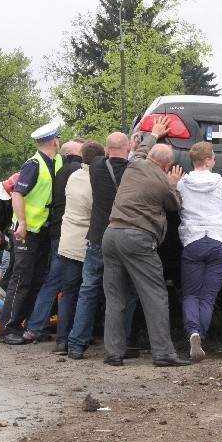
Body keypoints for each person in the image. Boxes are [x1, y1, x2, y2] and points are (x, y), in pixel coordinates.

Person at [102, 116, 190, 367]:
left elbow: (139, 150)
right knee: (155, 295)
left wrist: (154, 133)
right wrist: (173, 184)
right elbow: (175, 206)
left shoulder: (134, 165)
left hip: (111, 235)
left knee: (115, 297)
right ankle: (163, 353)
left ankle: (113, 354)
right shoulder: (163, 181)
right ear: (167, 165)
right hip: (137, 238)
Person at [67, 132, 137, 360]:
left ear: (106, 151)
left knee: (88, 290)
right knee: (124, 292)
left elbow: (95, 153)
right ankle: (122, 343)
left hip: (97, 238)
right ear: (128, 149)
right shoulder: (134, 171)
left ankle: (76, 345)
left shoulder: (97, 166)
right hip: (122, 237)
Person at [0, 122, 63, 344]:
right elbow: (18, 194)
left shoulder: (55, 162)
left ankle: (25, 325)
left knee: (36, 279)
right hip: (28, 231)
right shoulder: (34, 164)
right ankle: (7, 329)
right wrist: (22, 224)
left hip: (42, 230)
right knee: (21, 279)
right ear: (55, 141)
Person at [20, 138, 84, 343]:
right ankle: (62, 332)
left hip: (54, 232)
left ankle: (36, 327)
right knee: (71, 284)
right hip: (70, 234)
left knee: (54, 282)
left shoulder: (58, 169)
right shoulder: (75, 171)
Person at [176, 142, 222, 362]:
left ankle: (193, 332)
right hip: (219, 241)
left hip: (193, 240)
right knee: (208, 296)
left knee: (190, 294)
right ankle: (202, 335)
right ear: (208, 161)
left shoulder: (182, 184)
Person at [51, 141, 104, 355]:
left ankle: (62, 341)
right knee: (88, 293)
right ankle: (79, 337)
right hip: (85, 243)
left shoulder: (73, 176)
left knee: (69, 292)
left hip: (68, 242)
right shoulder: (96, 180)